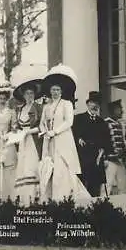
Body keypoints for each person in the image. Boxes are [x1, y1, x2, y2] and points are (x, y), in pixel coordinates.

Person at [39, 64, 91, 201]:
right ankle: (51, 197)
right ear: (50, 91)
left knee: (63, 167)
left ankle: (65, 196)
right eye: (53, 90)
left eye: (57, 89)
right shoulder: (46, 106)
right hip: (49, 141)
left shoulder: (66, 104)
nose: (55, 92)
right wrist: (45, 131)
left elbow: (69, 122)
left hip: (62, 138)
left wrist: (55, 131)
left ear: (61, 91)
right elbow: (42, 123)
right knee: (50, 166)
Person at [12, 76, 44, 205]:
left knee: (33, 166)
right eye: (27, 93)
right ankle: (24, 198)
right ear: (23, 95)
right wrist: (16, 130)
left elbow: (43, 126)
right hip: (22, 142)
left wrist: (29, 131)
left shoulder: (38, 107)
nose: (29, 96)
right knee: (23, 168)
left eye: (32, 93)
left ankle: (36, 197)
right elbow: (16, 125)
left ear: (35, 95)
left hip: (34, 141)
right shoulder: (19, 109)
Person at [73, 91, 111, 197]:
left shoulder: (102, 122)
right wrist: (78, 139)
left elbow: (106, 141)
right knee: (82, 188)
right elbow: (73, 135)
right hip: (82, 159)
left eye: (97, 103)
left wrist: (104, 153)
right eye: (93, 102)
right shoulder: (78, 119)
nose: (95, 106)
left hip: (97, 159)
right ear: (88, 104)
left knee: (95, 189)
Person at [103, 100, 126, 195]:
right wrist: (104, 158)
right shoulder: (105, 123)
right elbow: (104, 142)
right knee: (107, 185)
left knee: (123, 186)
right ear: (113, 110)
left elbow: (121, 142)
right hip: (110, 160)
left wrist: (125, 156)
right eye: (119, 109)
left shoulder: (118, 124)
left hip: (120, 160)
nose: (121, 111)